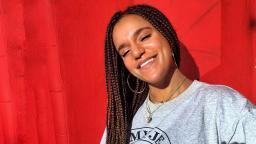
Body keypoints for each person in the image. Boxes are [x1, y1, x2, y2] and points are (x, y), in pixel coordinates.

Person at [101, 4, 256, 144]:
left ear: (166, 35)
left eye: (144, 37)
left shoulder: (219, 103)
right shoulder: (121, 119)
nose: (136, 52)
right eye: (125, 51)